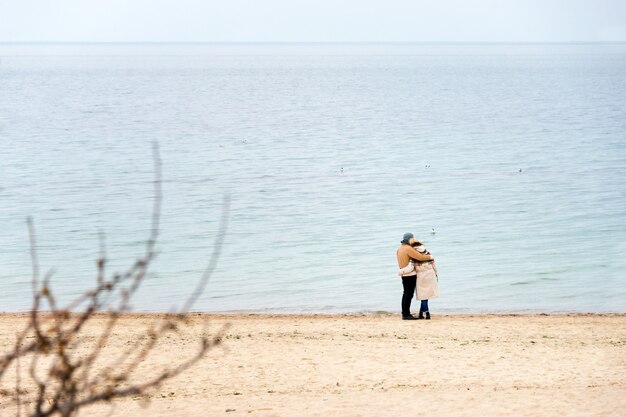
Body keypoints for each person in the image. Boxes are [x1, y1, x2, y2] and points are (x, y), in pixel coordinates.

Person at [396, 232, 434, 320]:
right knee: (409, 294)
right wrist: (430, 257)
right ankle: (406, 315)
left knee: (405, 294)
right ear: (410, 239)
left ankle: (405, 313)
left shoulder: (400, 249)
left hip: (404, 273)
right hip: (410, 274)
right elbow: (420, 257)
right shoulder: (408, 249)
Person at [411, 240, 438, 319]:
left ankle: (427, 313)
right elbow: (434, 264)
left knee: (423, 295)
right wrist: (436, 274)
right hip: (430, 274)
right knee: (426, 295)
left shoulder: (414, 255)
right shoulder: (428, 253)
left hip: (420, 275)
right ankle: (421, 313)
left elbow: (412, 267)